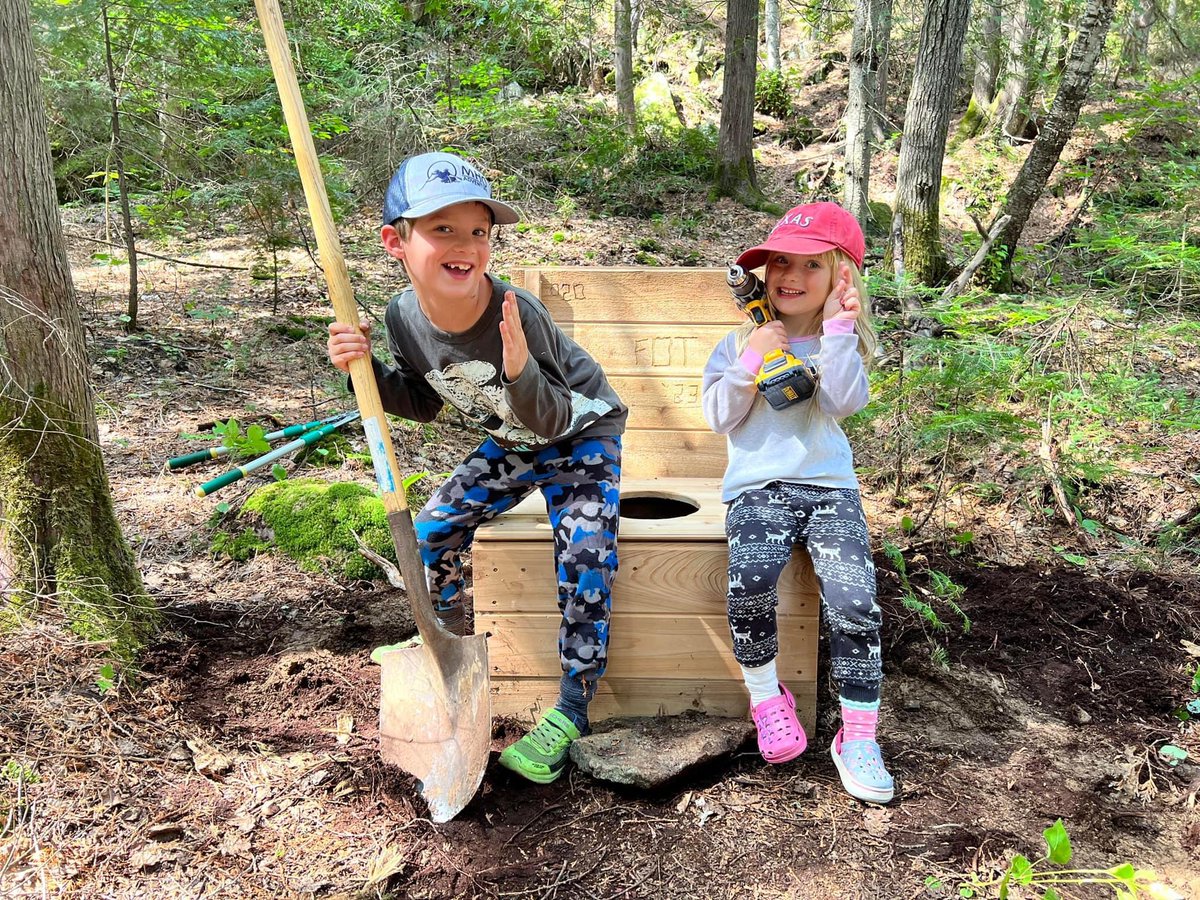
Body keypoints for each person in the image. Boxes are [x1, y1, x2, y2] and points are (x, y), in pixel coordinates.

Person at [327, 151, 627, 785]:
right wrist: (368, 372)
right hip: (512, 443)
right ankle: (441, 646)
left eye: (478, 231)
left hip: (578, 437)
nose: (465, 245)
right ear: (396, 242)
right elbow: (425, 400)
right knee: (430, 530)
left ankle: (573, 708)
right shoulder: (402, 316)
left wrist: (518, 369)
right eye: (442, 230)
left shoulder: (518, 313)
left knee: (586, 554)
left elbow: (549, 419)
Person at [701, 201, 892, 803]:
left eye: (811, 266)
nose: (790, 275)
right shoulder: (740, 340)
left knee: (855, 602)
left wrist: (835, 332)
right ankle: (767, 698)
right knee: (749, 583)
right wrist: (753, 356)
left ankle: (858, 733)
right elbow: (716, 418)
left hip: (831, 490)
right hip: (758, 489)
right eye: (781, 261)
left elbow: (840, 404)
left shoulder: (843, 343)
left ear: (841, 277)